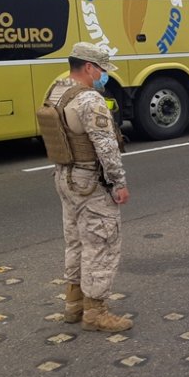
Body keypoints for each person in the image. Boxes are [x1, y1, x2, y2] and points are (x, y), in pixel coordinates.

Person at [35, 42, 133, 333]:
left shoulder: (56, 92)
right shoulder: (90, 100)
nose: (103, 75)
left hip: (65, 177)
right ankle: (96, 312)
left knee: (76, 240)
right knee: (101, 242)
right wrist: (118, 182)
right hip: (90, 181)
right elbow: (105, 146)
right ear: (89, 67)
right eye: (102, 69)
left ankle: (73, 304)